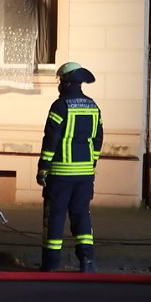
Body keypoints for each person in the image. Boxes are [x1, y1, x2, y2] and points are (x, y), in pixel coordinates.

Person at [36, 62, 103, 272]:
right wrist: (91, 162)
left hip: (60, 173)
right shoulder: (93, 106)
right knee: (82, 215)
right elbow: (98, 139)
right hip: (85, 174)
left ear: (65, 82)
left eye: (60, 81)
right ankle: (87, 262)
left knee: (55, 216)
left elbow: (51, 140)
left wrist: (43, 168)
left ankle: (51, 264)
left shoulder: (60, 106)